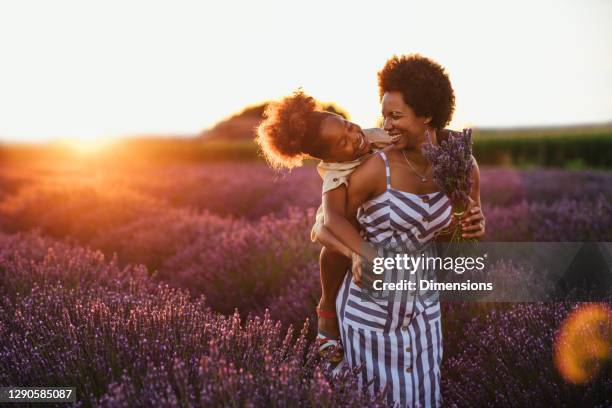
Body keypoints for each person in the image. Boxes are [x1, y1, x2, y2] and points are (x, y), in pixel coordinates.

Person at [323, 54, 485, 407]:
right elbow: (325, 228)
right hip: (369, 318)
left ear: (427, 113)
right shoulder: (372, 169)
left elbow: (460, 235)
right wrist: (357, 253)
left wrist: (473, 227)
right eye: (385, 114)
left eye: (396, 115)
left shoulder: (460, 165)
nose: (387, 124)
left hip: (425, 315)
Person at [255, 90, 397, 363]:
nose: (354, 136)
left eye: (347, 126)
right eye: (342, 143)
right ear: (330, 158)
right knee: (333, 245)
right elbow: (332, 220)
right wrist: (362, 253)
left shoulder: (369, 135)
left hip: (367, 210)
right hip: (339, 218)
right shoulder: (336, 174)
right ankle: (327, 307)